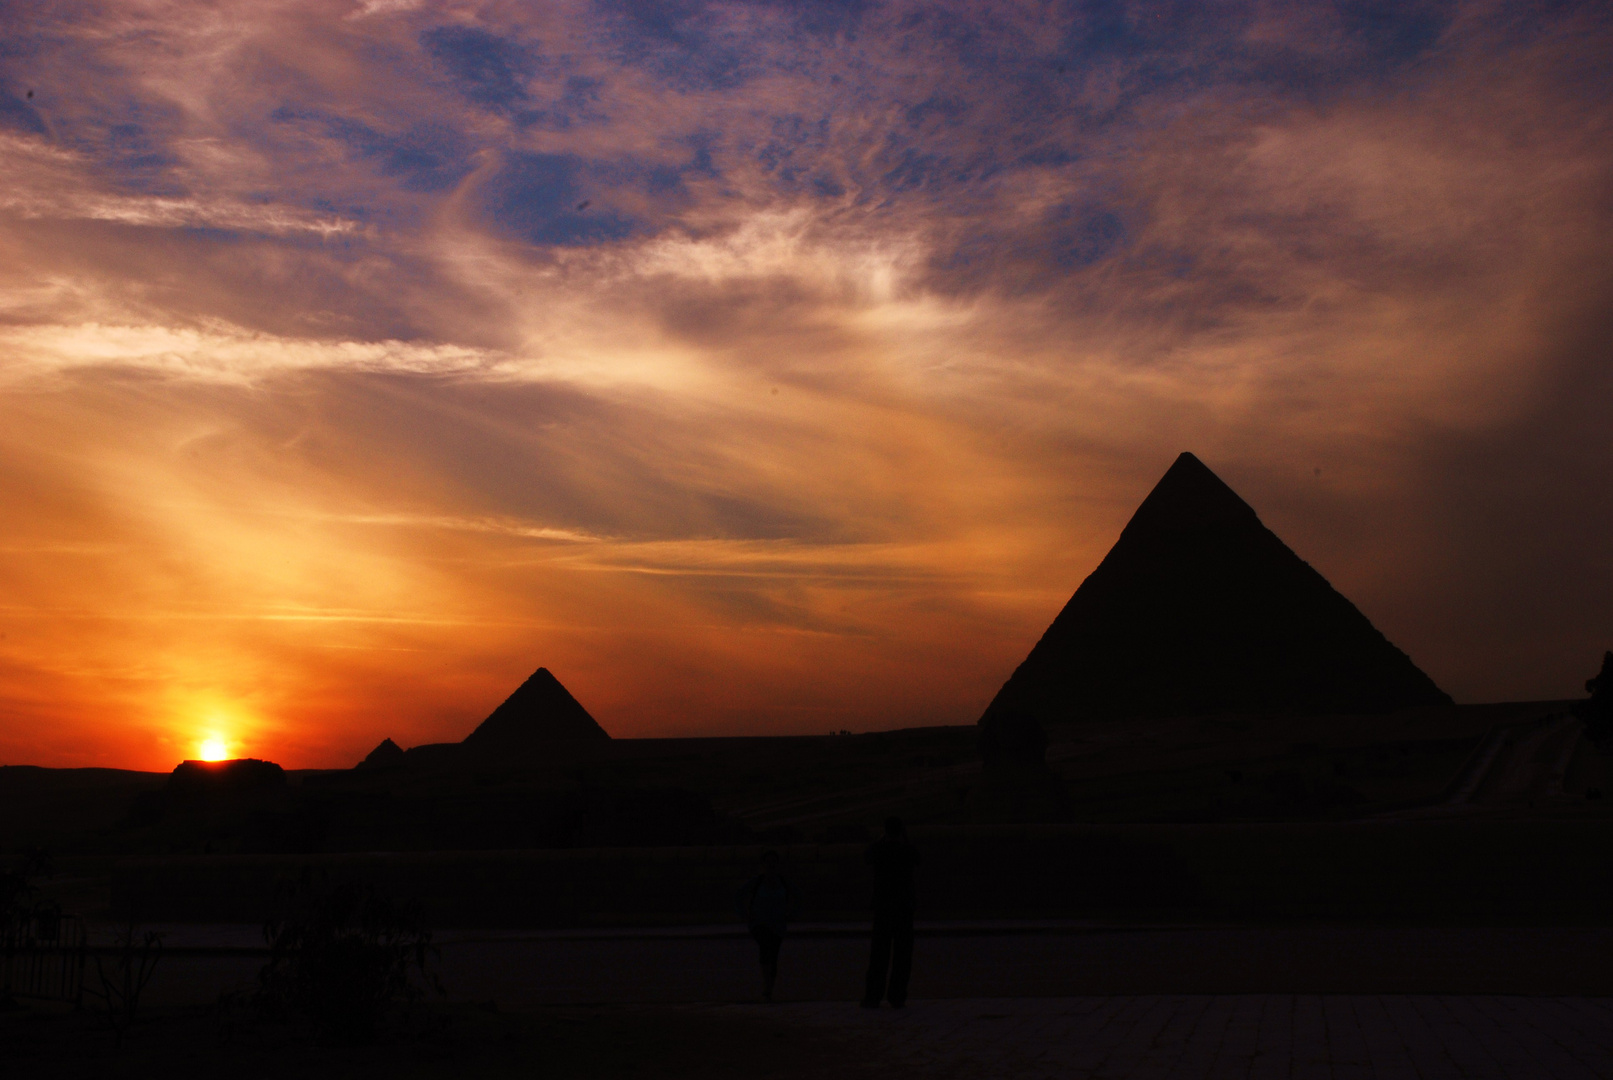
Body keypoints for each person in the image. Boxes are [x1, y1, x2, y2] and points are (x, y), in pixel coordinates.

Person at [862, 816, 920, 1008]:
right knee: (903, 956)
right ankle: (897, 996)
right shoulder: (907, 850)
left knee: (879, 955)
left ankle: (873, 996)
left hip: (883, 907)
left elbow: (867, 856)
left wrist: (880, 839)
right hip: (904, 907)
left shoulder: (879, 848)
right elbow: (917, 858)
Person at [735, 850, 799, 1002]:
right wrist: (744, 914)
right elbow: (739, 895)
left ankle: (769, 987)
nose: (771, 865)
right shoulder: (756, 882)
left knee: (773, 954)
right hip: (759, 923)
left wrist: (792, 913)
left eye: (773, 861)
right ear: (763, 864)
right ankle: (767, 986)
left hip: (778, 924)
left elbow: (799, 896)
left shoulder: (784, 882)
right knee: (765, 948)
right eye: (768, 862)